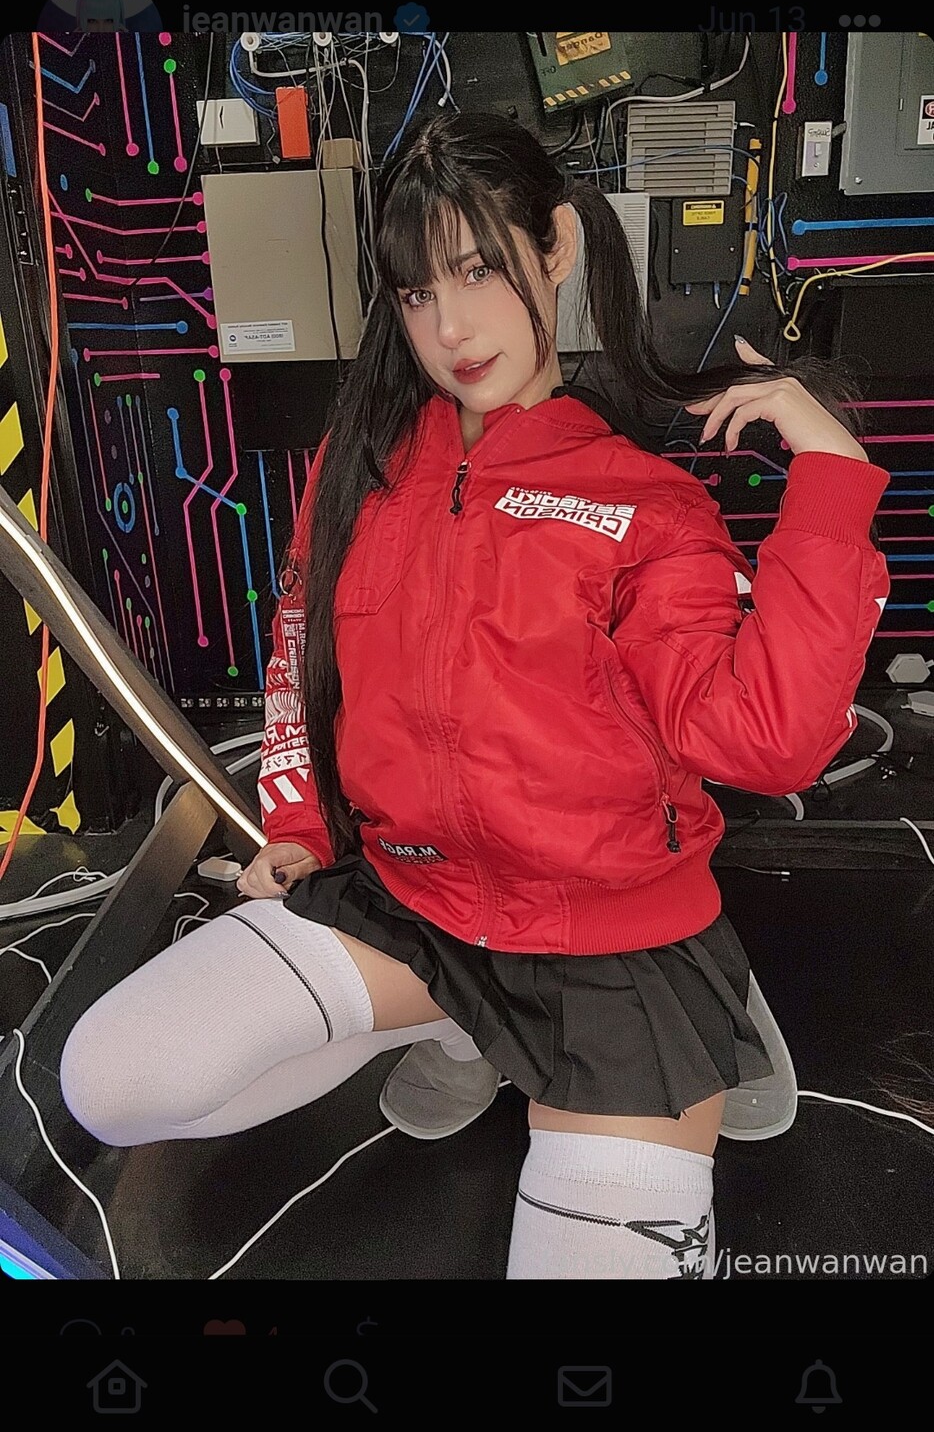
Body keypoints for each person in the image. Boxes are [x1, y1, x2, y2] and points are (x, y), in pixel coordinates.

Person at [60, 111, 890, 1280]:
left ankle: (691, 1009)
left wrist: (833, 479)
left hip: (612, 946)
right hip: (418, 904)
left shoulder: (643, 503)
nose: (447, 327)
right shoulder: (358, 474)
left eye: (476, 270)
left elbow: (768, 742)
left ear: (554, 246)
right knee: (109, 1081)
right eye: (415, 292)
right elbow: (300, 660)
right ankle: (466, 1016)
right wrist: (301, 827)